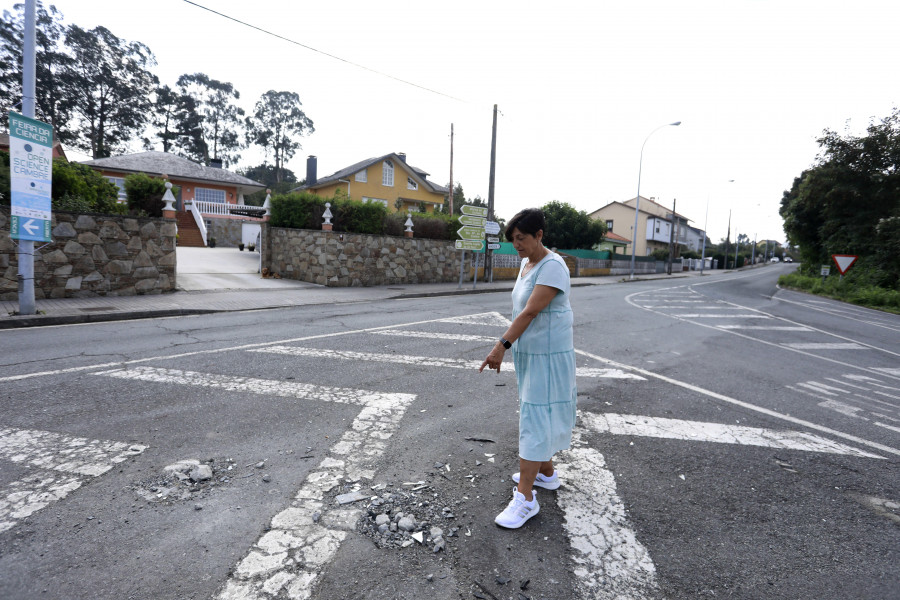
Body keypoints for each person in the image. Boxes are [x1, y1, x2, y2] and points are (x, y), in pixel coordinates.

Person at [479, 208, 577, 529]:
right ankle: (545, 473)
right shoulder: (526, 263)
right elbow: (519, 307)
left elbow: (530, 312)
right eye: (513, 240)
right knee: (535, 412)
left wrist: (500, 346)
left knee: (534, 418)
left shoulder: (553, 267)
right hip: (531, 355)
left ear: (539, 235)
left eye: (522, 238)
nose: (516, 245)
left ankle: (525, 498)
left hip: (548, 358)